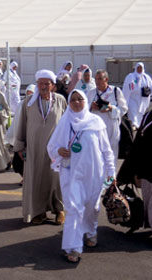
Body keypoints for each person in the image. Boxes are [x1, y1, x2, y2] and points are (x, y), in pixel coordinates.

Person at [47, 89, 115, 263]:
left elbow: (107, 151)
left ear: (85, 101)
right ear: (69, 103)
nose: (77, 102)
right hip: (70, 173)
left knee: (93, 208)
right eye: (73, 100)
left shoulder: (96, 122)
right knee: (73, 209)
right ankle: (73, 247)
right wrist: (58, 151)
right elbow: (51, 146)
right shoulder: (64, 122)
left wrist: (111, 172)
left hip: (94, 174)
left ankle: (91, 232)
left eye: (80, 99)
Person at [14, 69, 66, 225]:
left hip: (56, 149)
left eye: (47, 83)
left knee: (56, 179)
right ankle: (38, 212)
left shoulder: (60, 100)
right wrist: (20, 147)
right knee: (36, 180)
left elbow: (66, 123)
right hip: (34, 148)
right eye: (41, 83)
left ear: (52, 85)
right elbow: (21, 124)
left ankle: (59, 210)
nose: (43, 86)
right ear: (37, 84)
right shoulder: (28, 102)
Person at [117, 89, 152, 242]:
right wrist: (130, 168)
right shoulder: (148, 116)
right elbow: (138, 143)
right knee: (149, 198)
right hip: (146, 166)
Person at [87, 70, 128, 164]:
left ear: (106, 79)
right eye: (96, 79)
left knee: (111, 156)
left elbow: (124, 109)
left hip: (111, 128)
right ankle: (99, 178)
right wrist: (91, 106)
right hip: (95, 128)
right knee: (96, 155)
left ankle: (110, 178)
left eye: (100, 79)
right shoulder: (91, 93)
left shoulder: (115, 91)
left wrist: (111, 108)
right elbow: (84, 109)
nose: (97, 82)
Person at [122, 62, 152, 129]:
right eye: (138, 68)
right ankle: (133, 124)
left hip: (143, 99)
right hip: (133, 98)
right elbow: (126, 87)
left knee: (141, 112)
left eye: (141, 68)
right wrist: (124, 99)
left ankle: (139, 125)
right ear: (136, 68)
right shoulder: (131, 76)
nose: (139, 69)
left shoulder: (146, 77)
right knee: (132, 111)